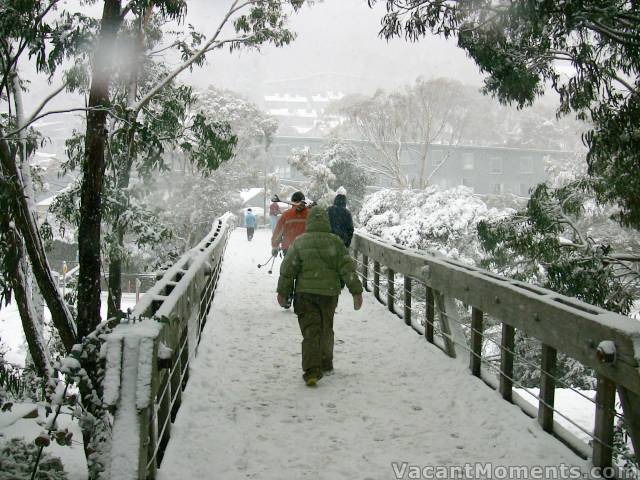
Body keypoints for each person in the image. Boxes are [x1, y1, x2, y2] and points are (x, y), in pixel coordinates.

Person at [277, 207, 364, 387]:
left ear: (309, 222)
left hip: (305, 294)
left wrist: (282, 292)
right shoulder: (336, 243)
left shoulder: (300, 242)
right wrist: (356, 291)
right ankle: (325, 362)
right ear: (326, 222)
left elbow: (288, 269)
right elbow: (347, 268)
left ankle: (312, 370)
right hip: (329, 294)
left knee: (311, 330)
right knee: (326, 327)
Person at [271, 191, 310, 308]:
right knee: (301, 275)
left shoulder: (286, 215)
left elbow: (278, 232)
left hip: (289, 249)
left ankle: (287, 297)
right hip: (305, 249)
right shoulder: (310, 214)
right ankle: (299, 300)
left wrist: (275, 246)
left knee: (288, 274)